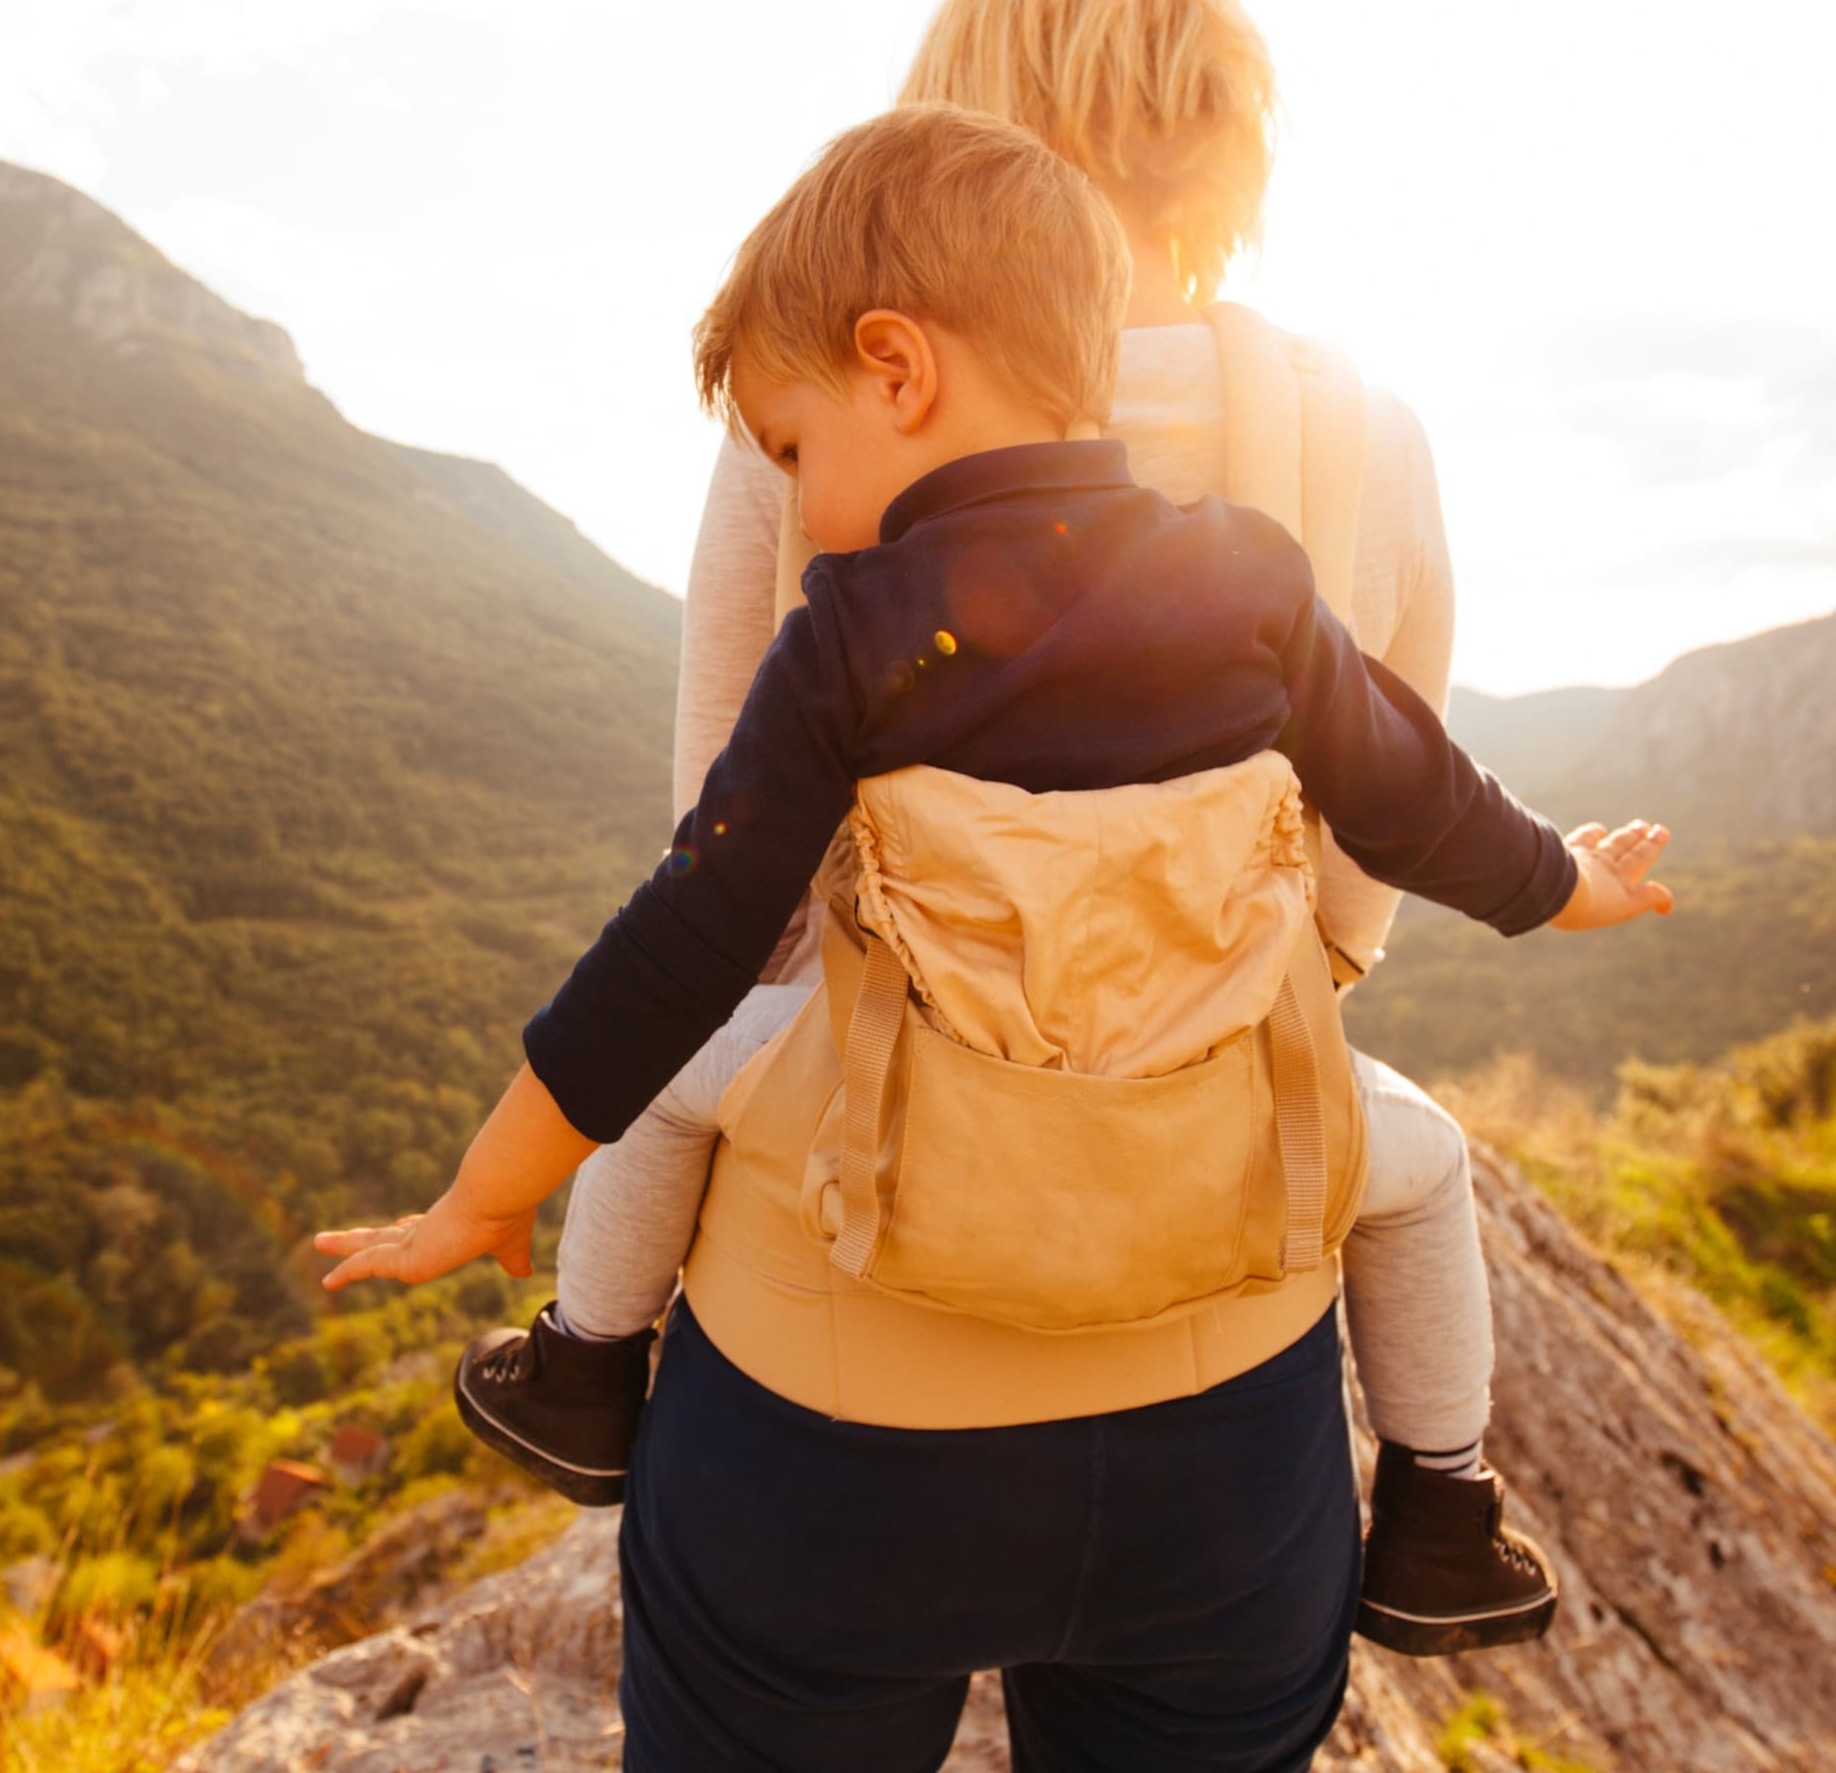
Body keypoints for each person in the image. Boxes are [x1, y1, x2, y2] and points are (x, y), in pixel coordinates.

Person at [316, 102, 1672, 1769]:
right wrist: (1569, 883)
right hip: (1208, 1294)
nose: (803, 503)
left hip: (891, 1264)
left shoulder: (852, 636)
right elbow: (1417, 803)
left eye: (794, 444)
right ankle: (1447, 1510)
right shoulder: (1245, 578)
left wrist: (483, 1192)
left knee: (691, 1079)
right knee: (1429, 1158)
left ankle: (579, 1380)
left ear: (900, 368)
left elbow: (678, 950)